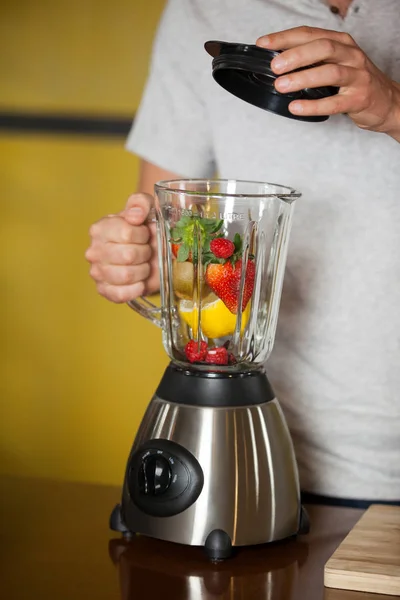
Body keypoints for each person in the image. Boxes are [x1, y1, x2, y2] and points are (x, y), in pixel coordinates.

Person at [85, 0, 400, 507]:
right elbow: (165, 231)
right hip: (266, 463)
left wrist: (393, 107)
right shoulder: (203, 10)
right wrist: (135, 257)